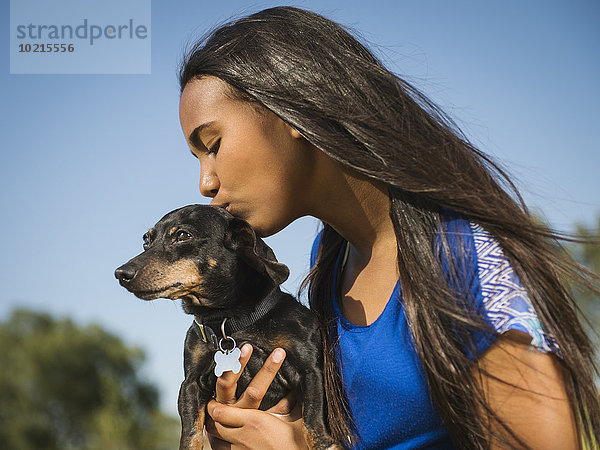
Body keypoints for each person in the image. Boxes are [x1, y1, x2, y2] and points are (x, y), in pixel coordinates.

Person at [177, 6, 599, 449]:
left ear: (291, 108)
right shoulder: (328, 263)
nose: (206, 183)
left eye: (214, 145)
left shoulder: (463, 253)